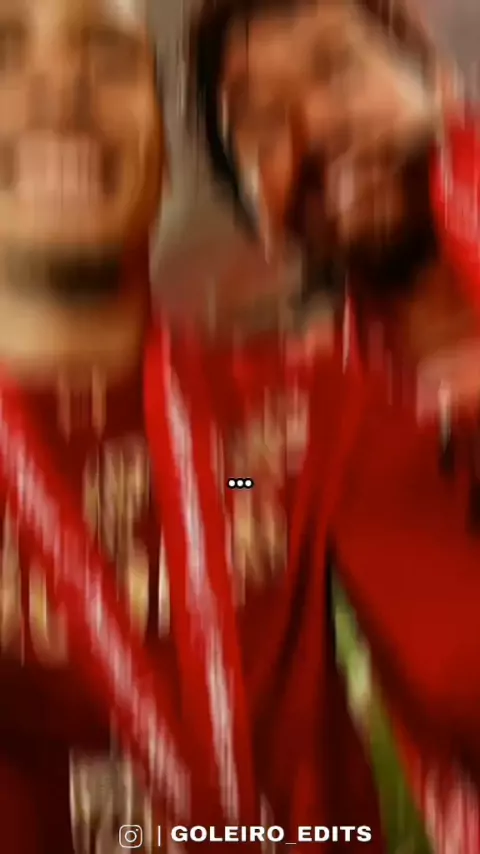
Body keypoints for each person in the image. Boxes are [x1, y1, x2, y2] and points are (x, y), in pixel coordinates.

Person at [190, 0, 480, 851]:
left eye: (339, 69)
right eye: (263, 123)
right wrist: (223, 474)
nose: (314, 128)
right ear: (258, 214)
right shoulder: (315, 418)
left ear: (438, 83)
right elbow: (231, 481)